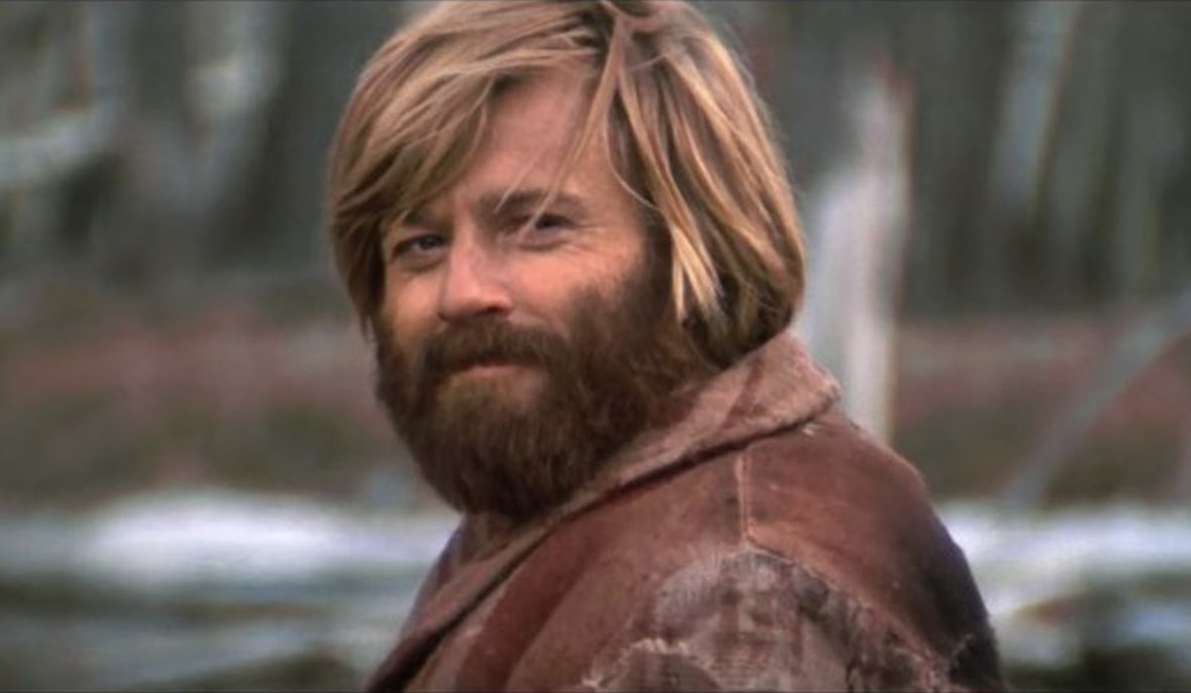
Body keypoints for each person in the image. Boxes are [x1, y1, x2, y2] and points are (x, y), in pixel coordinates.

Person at [325, 1, 1003, 690]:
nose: (463, 291)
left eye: (538, 225)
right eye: (422, 244)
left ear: (690, 245)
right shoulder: (561, 497)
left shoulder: (739, 604)